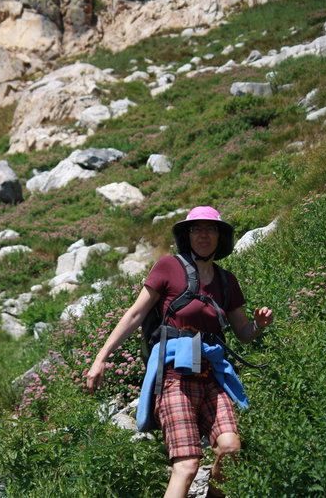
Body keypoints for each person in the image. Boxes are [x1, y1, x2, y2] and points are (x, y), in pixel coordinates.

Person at [84, 206, 273, 498]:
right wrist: (100, 358)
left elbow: (244, 334)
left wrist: (259, 325)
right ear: (188, 235)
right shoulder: (167, 267)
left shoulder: (227, 281)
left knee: (231, 448)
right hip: (174, 376)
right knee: (186, 465)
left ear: (220, 236)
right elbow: (135, 315)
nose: (203, 235)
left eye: (210, 229)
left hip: (213, 377)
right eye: (196, 229)